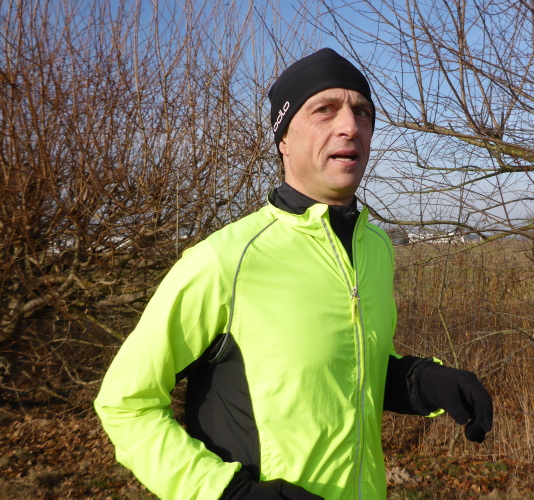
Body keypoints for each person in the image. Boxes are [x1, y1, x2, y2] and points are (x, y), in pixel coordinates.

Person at [94, 48, 493, 500]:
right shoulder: (225, 261)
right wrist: (228, 494)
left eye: (362, 112)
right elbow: (126, 404)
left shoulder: (377, 249)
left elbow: (347, 370)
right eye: (325, 110)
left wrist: (424, 382)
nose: (350, 126)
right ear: (283, 137)